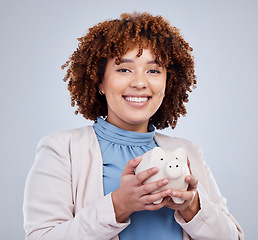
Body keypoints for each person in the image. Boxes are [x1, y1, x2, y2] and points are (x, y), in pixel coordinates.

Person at [23, 12, 243, 240]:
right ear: (100, 81)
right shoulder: (62, 150)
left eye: (154, 71)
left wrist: (191, 207)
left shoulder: (189, 152)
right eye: (124, 69)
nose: (139, 83)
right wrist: (118, 205)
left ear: (168, 83)